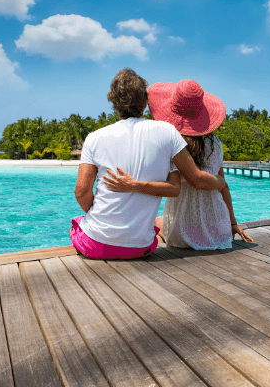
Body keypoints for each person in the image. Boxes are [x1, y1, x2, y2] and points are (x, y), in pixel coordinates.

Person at [70, 69, 226, 260]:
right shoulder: (168, 132)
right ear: (145, 101)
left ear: (113, 102)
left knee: (77, 224)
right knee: (155, 225)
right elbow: (187, 181)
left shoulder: (94, 138)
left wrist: (103, 218)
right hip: (141, 247)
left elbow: (81, 192)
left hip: (96, 246)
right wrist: (221, 182)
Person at [105, 79, 252, 249]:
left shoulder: (170, 144)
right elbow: (223, 187)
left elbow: (172, 184)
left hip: (183, 235)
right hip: (218, 231)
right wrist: (233, 224)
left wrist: (133, 185)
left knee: (155, 220)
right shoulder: (216, 144)